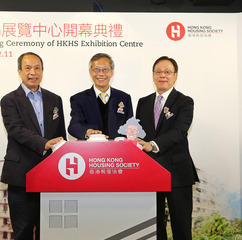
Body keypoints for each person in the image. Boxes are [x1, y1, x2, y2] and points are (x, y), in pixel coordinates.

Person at [0, 52, 66, 240]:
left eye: (37, 68)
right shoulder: (9, 100)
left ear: (42, 71)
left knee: (50, 232)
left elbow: (61, 135)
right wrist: (44, 143)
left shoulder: (55, 100)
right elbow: (16, 130)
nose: (33, 72)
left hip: (51, 177)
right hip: (22, 177)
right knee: (23, 233)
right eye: (28, 68)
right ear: (19, 71)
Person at [136, 56, 199, 240]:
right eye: (158, 72)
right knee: (154, 227)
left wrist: (152, 145)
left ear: (175, 76)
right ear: (153, 76)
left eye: (167, 72)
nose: (162, 75)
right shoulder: (143, 102)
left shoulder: (185, 101)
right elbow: (139, 132)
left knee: (181, 225)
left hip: (177, 172)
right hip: (150, 173)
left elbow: (180, 131)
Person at [68, 53, 133, 140]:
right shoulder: (79, 99)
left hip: (118, 151)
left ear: (112, 72)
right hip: (89, 150)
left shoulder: (124, 98)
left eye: (105, 69)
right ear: (90, 72)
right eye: (97, 69)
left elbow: (130, 127)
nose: (101, 74)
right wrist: (87, 132)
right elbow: (74, 126)